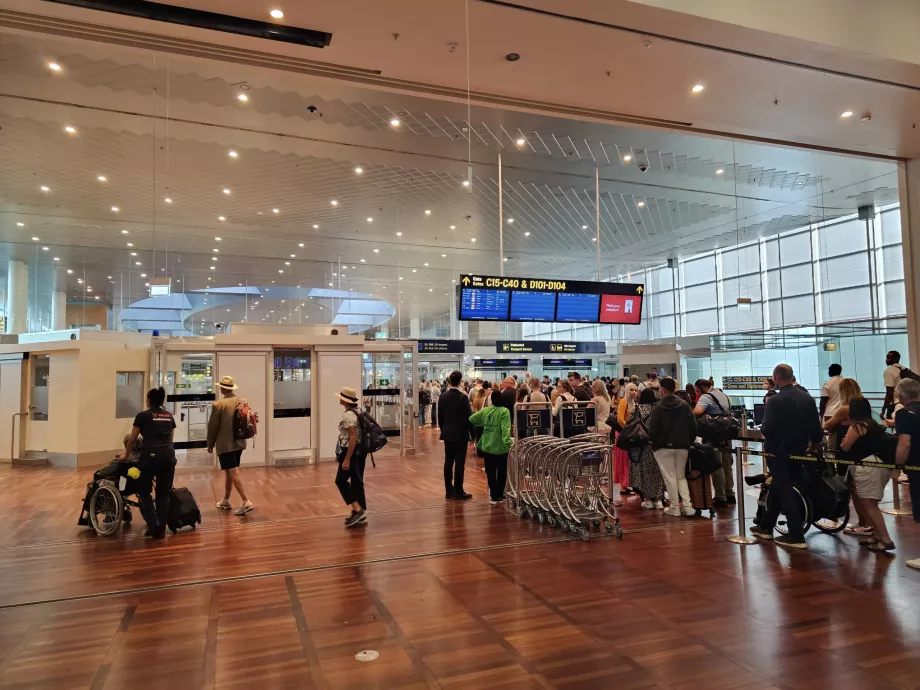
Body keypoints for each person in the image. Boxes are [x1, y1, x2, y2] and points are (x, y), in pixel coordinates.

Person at [750, 364, 824, 549]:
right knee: (779, 486)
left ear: (776, 377)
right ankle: (766, 526)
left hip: (778, 451)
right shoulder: (807, 398)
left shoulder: (775, 401)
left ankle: (796, 534)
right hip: (799, 451)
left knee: (785, 489)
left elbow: (767, 428)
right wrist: (813, 445)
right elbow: (816, 429)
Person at [839, 398, 894, 551]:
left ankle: (886, 538)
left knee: (870, 505)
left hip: (867, 467)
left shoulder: (856, 427)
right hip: (881, 465)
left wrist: (843, 441)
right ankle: (876, 535)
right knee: (869, 503)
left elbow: (845, 447)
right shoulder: (873, 424)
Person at [122, 387, 176, 538]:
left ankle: (153, 525)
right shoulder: (168, 415)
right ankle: (162, 526)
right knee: (163, 492)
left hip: (150, 457)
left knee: (142, 490)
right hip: (168, 456)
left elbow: (132, 439)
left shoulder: (143, 416)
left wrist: (126, 455)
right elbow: (171, 438)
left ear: (149, 399)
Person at [648, 378, 697, 516]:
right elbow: (693, 426)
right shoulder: (684, 404)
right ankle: (687, 507)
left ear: (663, 389)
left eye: (659, 388)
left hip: (663, 447)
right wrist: (689, 441)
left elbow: (652, 430)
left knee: (669, 478)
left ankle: (675, 507)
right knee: (681, 477)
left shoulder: (658, 407)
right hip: (682, 446)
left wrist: (655, 445)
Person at [208, 375, 254, 516]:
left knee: (233, 472)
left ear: (222, 388)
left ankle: (246, 501)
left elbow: (213, 426)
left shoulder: (218, 405)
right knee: (230, 471)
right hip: (239, 443)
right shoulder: (241, 402)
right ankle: (226, 500)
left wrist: (210, 443)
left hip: (225, 445)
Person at [693, 379, 735, 506]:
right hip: (727, 432)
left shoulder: (706, 396)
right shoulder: (724, 395)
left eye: (697, 390)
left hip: (714, 433)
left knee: (716, 464)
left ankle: (720, 496)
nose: (697, 393)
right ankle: (730, 493)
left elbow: (698, 411)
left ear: (702, 387)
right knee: (727, 463)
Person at [469, 389, 513, 505]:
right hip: (501, 446)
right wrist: (509, 443)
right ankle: (499, 494)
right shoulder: (504, 411)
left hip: (487, 445)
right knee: (502, 471)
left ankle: (493, 495)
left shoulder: (486, 410)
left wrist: (482, 424)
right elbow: (505, 430)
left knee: (490, 471)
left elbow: (472, 418)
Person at [334, 386, 368, 528]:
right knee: (356, 481)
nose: (340, 398)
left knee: (340, 481)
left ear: (345, 400)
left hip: (350, 451)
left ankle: (358, 509)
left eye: (341, 397)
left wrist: (347, 458)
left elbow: (352, 437)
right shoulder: (358, 411)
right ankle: (360, 512)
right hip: (360, 452)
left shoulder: (348, 415)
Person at [439, 370, 473, 500]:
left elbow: (441, 417)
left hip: (448, 432)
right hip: (460, 433)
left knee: (448, 461)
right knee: (459, 463)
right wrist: (472, 433)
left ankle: (448, 490)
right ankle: (459, 490)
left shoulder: (443, 396)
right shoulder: (463, 397)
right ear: (460, 381)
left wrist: (444, 429)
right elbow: (468, 417)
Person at [631, 387, 665, 509]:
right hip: (658, 444)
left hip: (642, 444)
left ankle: (648, 499)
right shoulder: (659, 408)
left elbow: (632, 424)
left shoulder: (638, 409)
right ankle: (659, 499)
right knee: (658, 470)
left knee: (644, 471)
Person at [894, 378, 920, 525]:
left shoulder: (904, 414)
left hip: (916, 464)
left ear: (901, 396)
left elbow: (904, 443)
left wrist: (897, 466)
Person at [615, 383, 639, 492]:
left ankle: (628, 483)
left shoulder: (634, 402)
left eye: (635, 390)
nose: (634, 392)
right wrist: (628, 429)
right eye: (631, 390)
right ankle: (623, 485)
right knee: (624, 460)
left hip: (630, 433)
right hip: (623, 433)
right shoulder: (623, 402)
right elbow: (619, 419)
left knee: (629, 459)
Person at [883, 350, 906, 418]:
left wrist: (883, 409)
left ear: (896, 359)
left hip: (894, 405)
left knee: (892, 426)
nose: (886, 360)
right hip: (905, 403)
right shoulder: (904, 369)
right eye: (887, 357)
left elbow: (889, 392)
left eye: (889, 358)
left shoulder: (889, 371)